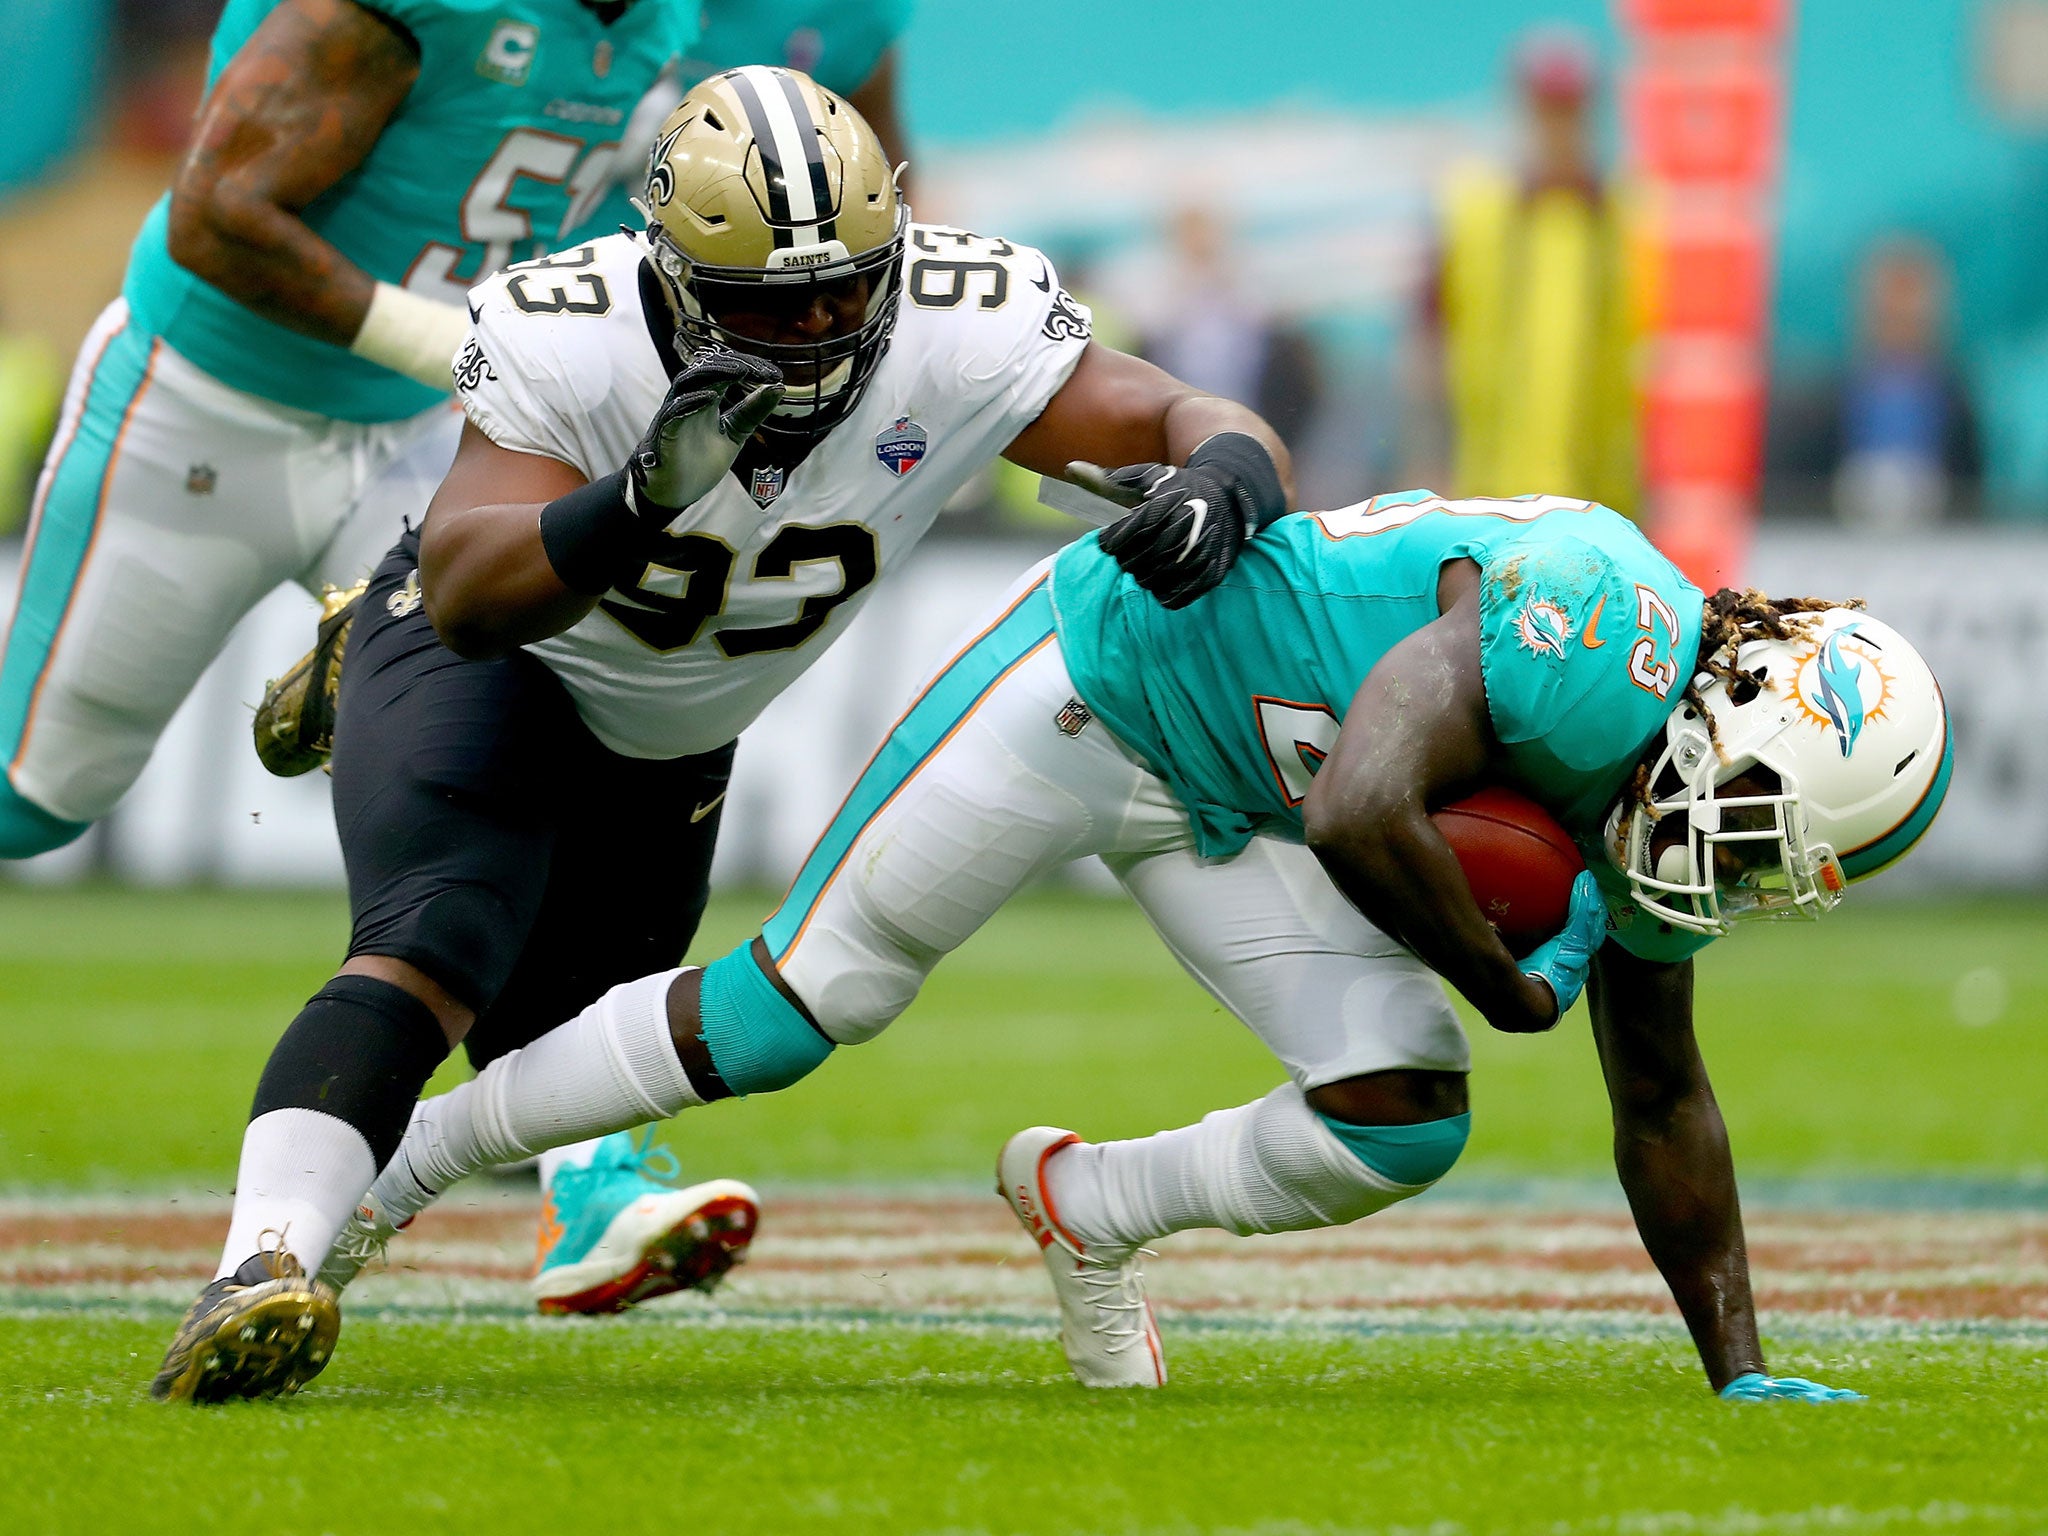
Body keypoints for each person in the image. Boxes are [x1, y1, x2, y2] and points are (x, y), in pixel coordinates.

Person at [148, 65, 1293, 1404]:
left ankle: (406, 1242)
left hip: (680, 731)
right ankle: (257, 1269)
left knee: (573, 1051)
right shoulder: (574, 329)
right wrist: (633, 504)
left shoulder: (958, 320)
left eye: (844, 289)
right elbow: (466, 587)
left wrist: (1231, 472)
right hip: (503, 651)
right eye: (768, 303)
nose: (815, 327)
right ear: (679, 277)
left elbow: (1174, 413)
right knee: (439, 935)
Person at [331, 488, 1951, 1400]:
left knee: (1400, 1104)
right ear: (1739, 707)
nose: (1723, 869)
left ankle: (1083, 1207)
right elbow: (1367, 807)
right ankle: (403, 1163)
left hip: (1223, 797)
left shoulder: (1667, 792)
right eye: (1750, 828)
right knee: (796, 1007)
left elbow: (1661, 1097)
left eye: (1765, 865)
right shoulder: (1592, 625)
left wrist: (1737, 1369)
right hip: (1095, 681)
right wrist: (1502, 979)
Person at [0, 0, 912, 860]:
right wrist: (465, 346)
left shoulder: (662, 20)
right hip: (206, 408)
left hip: (415, 437)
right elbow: (215, 215)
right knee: (35, 799)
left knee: (532, 758)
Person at [1405, 27, 1646, 516]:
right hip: (1489, 492)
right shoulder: (1473, 209)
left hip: (1604, 495)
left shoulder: (1626, 214)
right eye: (1545, 109)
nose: (1557, 126)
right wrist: (1427, 458)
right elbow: (1426, 346)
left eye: (1568, 109)